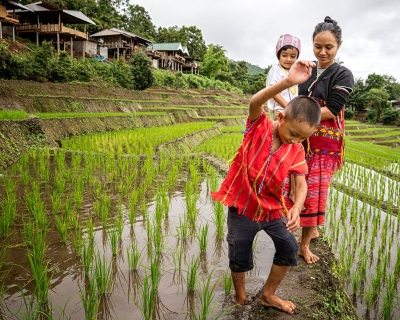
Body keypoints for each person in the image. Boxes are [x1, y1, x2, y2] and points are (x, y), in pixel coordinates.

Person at [212, 60, 321, 314]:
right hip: (243, 206)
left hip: (272, 208)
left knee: (289, 246)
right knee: (239, 254)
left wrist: (296, 206)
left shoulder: (296, 150)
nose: (296, 140)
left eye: (303, 138)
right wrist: (288, 83)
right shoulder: (258, 127)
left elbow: (301, 184)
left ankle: (268, 295)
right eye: (293, 133)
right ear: (280, 117)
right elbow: (255, 102)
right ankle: (240, 297)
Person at [284, 16, 354, 264]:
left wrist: (298, 120)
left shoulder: (343, 74)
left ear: (339, 45)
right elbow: (297, 97)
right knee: (293, 185)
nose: (322, 52)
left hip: (323, 144)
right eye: (318, 46)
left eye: (329, 47)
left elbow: (331, 110)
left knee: (312, 193)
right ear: (312, 45)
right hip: (301, 139)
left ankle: (303, 246)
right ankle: (307, 230)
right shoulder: (307, 68)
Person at [266, 34, 301, 118]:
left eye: (293, 56)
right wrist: (288, 107)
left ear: (297, 57)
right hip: (279, 113)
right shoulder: (276, 69)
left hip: (290, 112)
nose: (288, 59)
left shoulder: (293, 72)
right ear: (278, 55)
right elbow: (273, 92)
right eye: (284, 55)